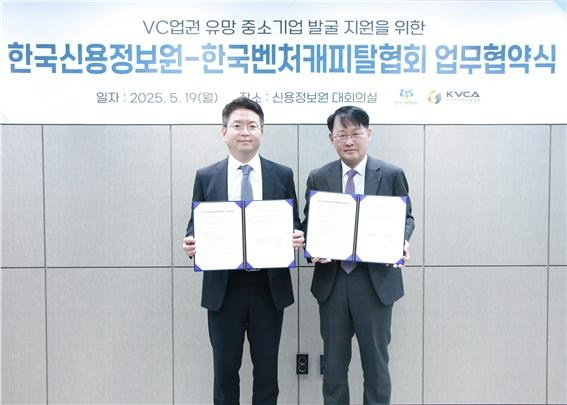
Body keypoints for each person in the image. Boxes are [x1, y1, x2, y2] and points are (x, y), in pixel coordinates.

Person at [182, 96, 304, 405]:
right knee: (224, 373)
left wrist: (296, 235)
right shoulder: (206, 176)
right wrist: (191, 241)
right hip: (224, 288)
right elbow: (195, 223)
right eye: (237, 125)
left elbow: (292, 221)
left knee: (267, 374)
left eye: (252, 125)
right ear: (224, 132)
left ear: (262, 131)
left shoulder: (282, 174)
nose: (245, 132)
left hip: (268, 286)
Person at [302, 105, 414, 405]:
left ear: (369, 133)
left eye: (356, 133)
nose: (349, 140)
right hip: (333, 282)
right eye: (342, 134)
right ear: (331, 138)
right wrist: (312, 251)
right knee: (334, 368)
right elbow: (309, 223)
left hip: (375, 282)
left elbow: (406, 216)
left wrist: (401, 240)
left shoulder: (391, 174)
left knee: (376, 366)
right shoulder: (318, 177)